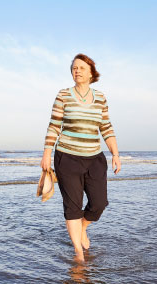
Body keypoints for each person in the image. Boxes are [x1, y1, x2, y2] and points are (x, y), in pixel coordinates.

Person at [40, 53, 121, 262]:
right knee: (72, 206)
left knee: (99, 203)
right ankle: (78, 252)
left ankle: (83, 227)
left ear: (91, 73)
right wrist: (46, 154)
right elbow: (54, 126)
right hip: (67, 158)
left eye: (82, 68)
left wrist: (115, 153)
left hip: (94, 158)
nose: (77, 71)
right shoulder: (63, 95)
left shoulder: (100, 98)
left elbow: (106, 127)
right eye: (74, 68)